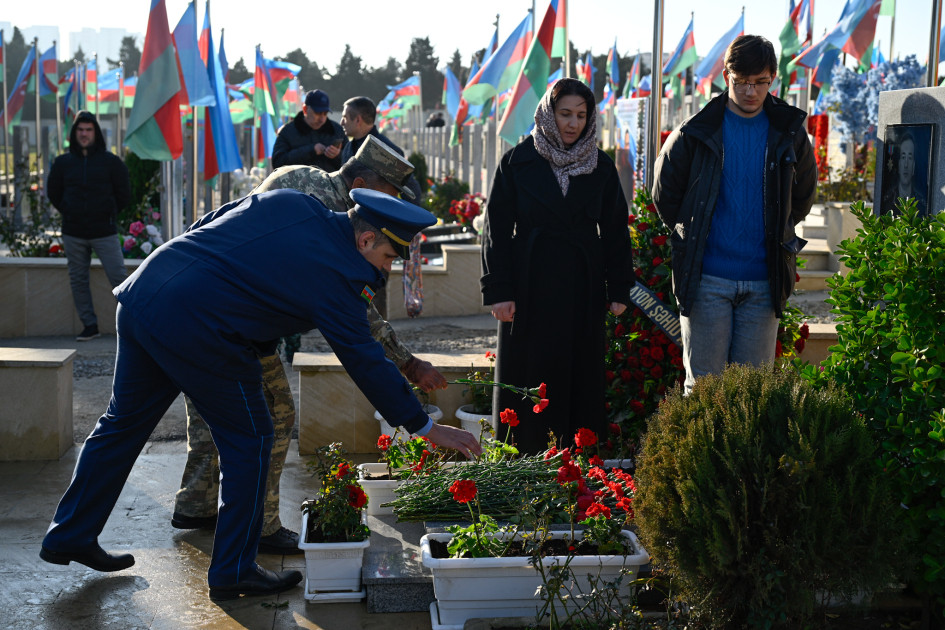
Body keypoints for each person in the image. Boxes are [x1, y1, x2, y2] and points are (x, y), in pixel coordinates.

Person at [40, 188, 483, 600]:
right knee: (251, 440)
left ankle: (70, 533)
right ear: (366, 239)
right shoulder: (335, 275)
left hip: (148, 291)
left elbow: (212, 221)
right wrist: (423, 426)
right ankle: (234, 571)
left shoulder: (295, 203)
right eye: (388, 257)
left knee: (121, 425)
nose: (387, 268)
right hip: (201, 328)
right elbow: (364, 359)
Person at [170, 135, 446, 555]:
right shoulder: (327, 207)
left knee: (210, 415)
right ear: (360, 182)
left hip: (203, 303)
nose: (390, 210)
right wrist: (406, 365)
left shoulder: (303, 182)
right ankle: (257, 529)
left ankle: (197, 505)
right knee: (275, 415)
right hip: (227, 318)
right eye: (388, 196)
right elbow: (356, 316)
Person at [651, 35, 817, 394]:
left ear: (773, 77)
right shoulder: (696, 130)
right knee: (703, 391)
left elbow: (802, 196)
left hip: (764, 281)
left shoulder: (789, 132)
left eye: (760, 82)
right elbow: (664, 194)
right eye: (741, 81)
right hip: (708, 278)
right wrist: (693, 236)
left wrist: (780, 231)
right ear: (725, 75)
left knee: (752, 396)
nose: (750, 92)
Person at [480, 78, 633, 454]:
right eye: (565, 113)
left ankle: (575, 465)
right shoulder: (517, 161)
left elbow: (615, 230)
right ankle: (523, 465)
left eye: (581, 115)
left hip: (583, 284)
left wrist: (618, 290)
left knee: (580, 377)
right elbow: (496, 229)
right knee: (529, 378)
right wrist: (499, 291)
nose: (573, 123)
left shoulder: (601, 167)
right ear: (549, 113)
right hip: (529, 285)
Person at [47, 110, 132, 342]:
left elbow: (124, 194)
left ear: (96, 133)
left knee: (119, 278)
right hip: (73, 232)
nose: (84, 134)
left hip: (104, 231)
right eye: (80, 130)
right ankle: (90, 325)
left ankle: (134, 325)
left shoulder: (111, 162)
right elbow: (53, 192)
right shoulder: (63, 163)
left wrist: (108, 213)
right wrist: (69, 209)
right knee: (78, 280)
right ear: (74, 133)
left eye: (89, 130)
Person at [340, 96, 422, 203]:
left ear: (357, 120)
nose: (342, 122)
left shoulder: (387, 150)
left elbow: (413, 193)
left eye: (345, 117)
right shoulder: (348, 147)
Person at [272, 89, 346, 171]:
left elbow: (351, 161)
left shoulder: (337, 130)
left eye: (325, 114)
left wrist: (338, 155)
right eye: (318, 113)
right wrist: (311, 150)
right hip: (297, 183)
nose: (322, 119)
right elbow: (277, 163)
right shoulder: (287, 131)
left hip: (329, 183)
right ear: (305, 109)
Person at [881, 130, 928, 216]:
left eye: (909, 158)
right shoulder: (887, 201)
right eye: (903, 157)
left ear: (914, 166)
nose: (906, 165)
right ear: (898, 164)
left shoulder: (922, 205)